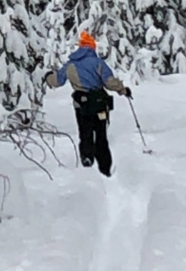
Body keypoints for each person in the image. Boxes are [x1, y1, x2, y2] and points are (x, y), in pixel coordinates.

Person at [44, 31, 130, 176]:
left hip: (81, 106)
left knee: (85, 134)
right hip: (99, 105)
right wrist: (122, 90)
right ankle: (105, 168)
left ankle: (87, 164)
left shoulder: (71, 65)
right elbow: (109, 82)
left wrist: (47, 77)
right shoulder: (98, 63)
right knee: (101, 136)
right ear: (92, 48)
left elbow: (57, 81)